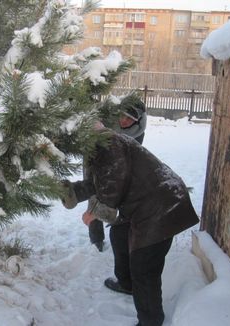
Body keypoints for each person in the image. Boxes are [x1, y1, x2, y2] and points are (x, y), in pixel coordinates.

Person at [61, 122, 199, 326]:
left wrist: (94, 213)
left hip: (160, 205)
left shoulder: (109, 145)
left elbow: (112, 188)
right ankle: (126, 284)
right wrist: (72, 192)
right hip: (143, 200)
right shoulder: (100, 146)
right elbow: (101, 180)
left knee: (144, 266)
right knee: (119, 234)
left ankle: (150, 321)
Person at [87, 97, 147, 252]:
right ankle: (96, 238)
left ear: (138, 120)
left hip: (121, 158)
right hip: (95, 153)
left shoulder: (139, 129)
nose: (125, 121)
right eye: (123, 115)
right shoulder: (107, 115)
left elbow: (134, 151)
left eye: (130, 119)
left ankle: (121, 229)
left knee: (123, 190)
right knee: (93, 188)